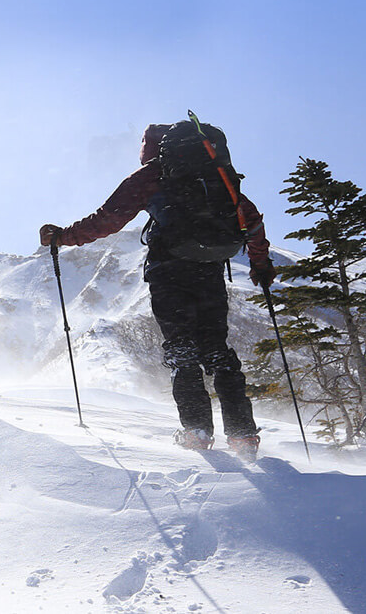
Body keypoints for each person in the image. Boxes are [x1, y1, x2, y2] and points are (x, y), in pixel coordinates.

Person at [41, 120, 276, 456]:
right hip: (209, 271)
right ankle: (243, 435)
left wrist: (64, 236)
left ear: (152, 148)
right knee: (218, 351)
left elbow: (108, 218)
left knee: (182, 350)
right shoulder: (218, 175)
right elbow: (251, 221)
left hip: (170, 270)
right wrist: (261, 266)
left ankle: (196, 432)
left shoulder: (153, 175)